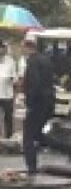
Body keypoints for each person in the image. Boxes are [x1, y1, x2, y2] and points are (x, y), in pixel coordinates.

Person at [21, 35, 56, 174]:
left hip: (37, 102)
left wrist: (29, 102)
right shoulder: (46, 60)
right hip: (48, 101)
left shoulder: (32, 61)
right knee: (37, 134)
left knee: (28, 136)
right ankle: (66, 146)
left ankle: (31, 167)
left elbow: (35, 82)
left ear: (27, 47)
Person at [0, 41, 17, 139]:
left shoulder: (10, 61)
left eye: (2, 48)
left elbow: (15, 78)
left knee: (8, 117)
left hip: (7, 95)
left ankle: (8, 137)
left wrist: (10, 79)